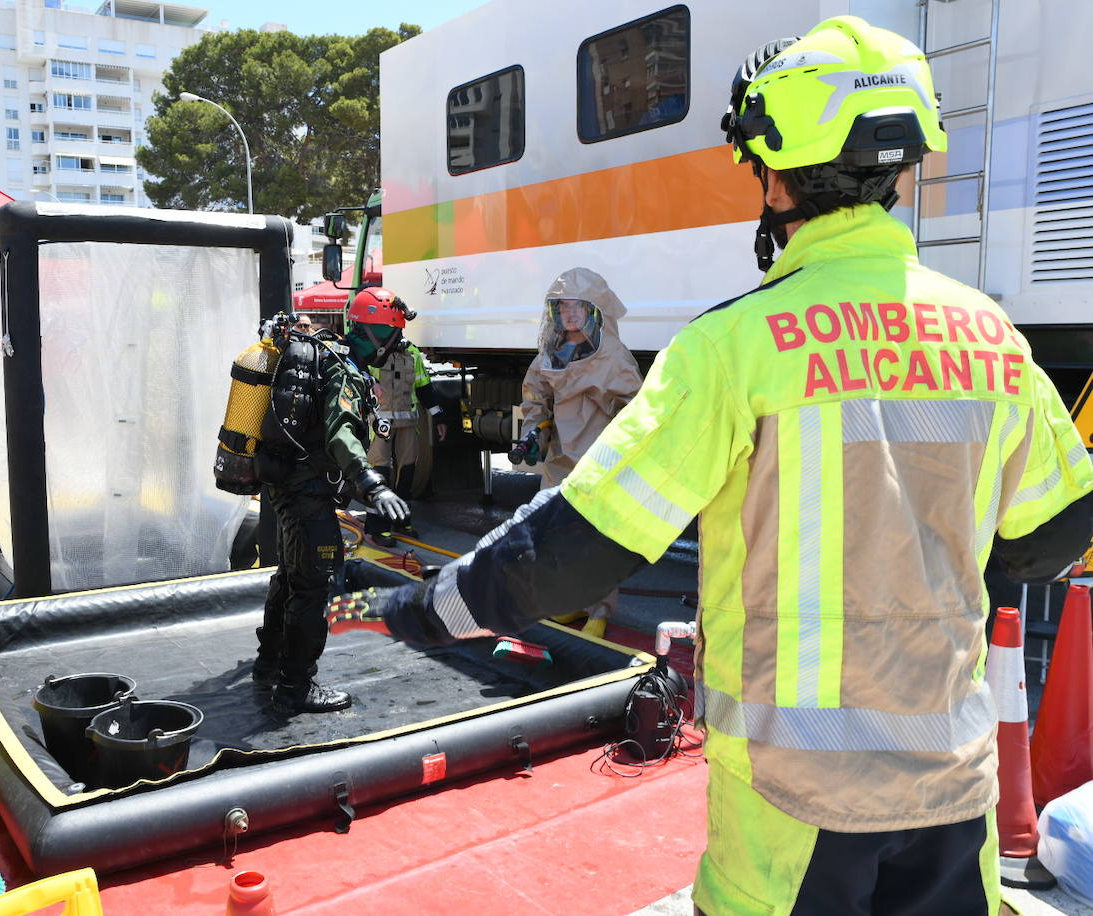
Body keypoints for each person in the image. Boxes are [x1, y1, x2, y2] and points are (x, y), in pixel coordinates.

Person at [326, 17, 1093, 914]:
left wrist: (418, 607)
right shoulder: (990, 337)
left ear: (774, 175)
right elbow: (1050, 540)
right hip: (954, 801)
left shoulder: (735, 347)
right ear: (899, 167)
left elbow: (579, 546)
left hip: (795, 816)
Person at [252, 293, 410, 713]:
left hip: (287, 485)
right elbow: (340, 435)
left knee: (289, 577)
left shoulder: (329, 355)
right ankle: (295, 689)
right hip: (307, 494)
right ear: (378, 333)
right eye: (394, 334)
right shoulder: (344, 371)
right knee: (313, 587)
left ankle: (269, 666)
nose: (396, 344)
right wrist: (373, 485)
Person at [518, 268, 643, 637]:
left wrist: (626, 456)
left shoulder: (614, 356)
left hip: (600, 459)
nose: (569, 314)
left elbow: (635, 409)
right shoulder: (552, 353)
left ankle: (599, 611)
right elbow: (535, 399)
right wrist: (532, 436)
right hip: (560, 459)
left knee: (597, 539)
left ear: (594, 310)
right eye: (562, 307)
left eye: (577, 306)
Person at [364, 332, 447, 549]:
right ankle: (377, 526)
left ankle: (401, 520)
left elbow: (424, 386)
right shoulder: (371, 351)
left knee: (407, 469)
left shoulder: (412, 352)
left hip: (408, 421)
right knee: (380, 471)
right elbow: (358, 376)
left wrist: (438, 415)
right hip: (380, 421)